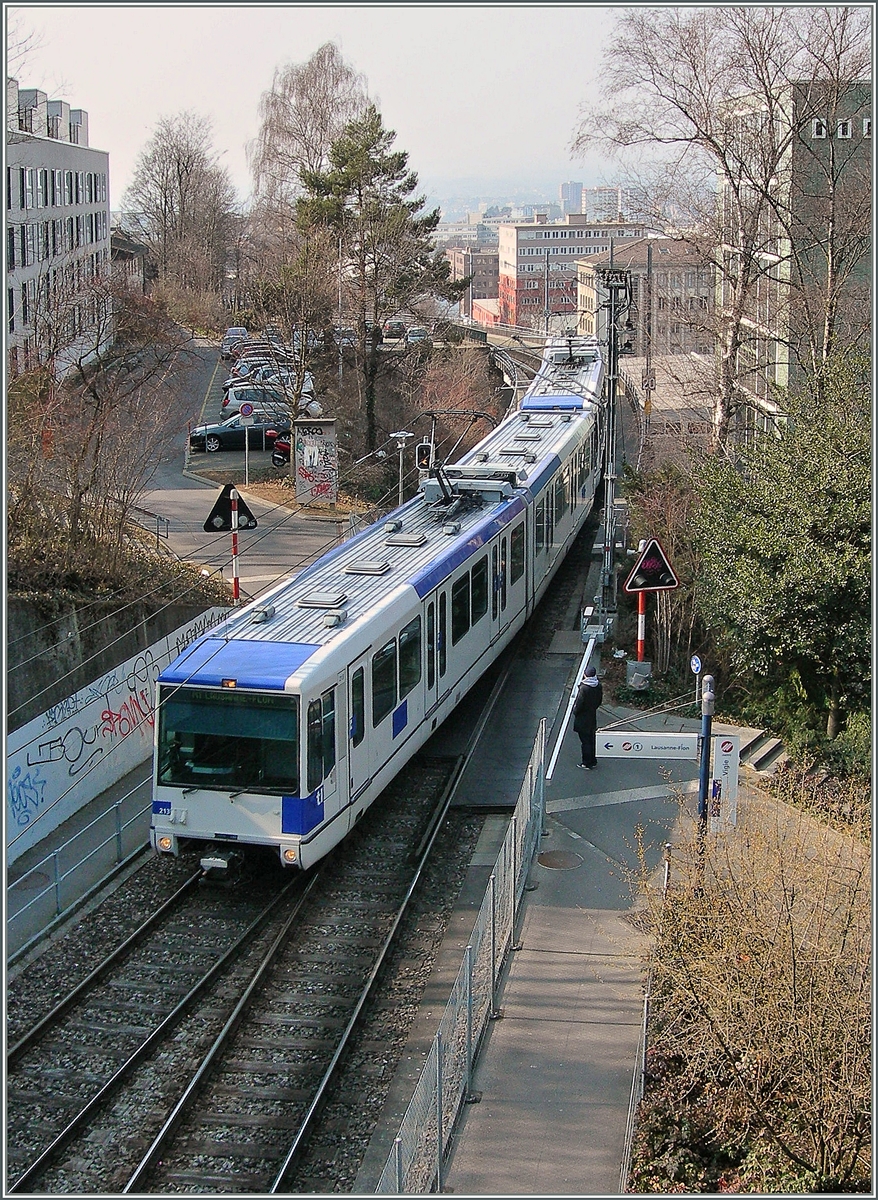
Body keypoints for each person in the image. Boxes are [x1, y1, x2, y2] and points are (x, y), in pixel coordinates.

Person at [573, 665, 603, 769]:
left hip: (582, 718)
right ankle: (593, 760)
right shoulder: (598, 686)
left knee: (585, 741)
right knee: (591, 740)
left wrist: (575, 711)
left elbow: (579, 704)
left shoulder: (584, 688)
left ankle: (586, 762)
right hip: (592, 716)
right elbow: (599, 701)